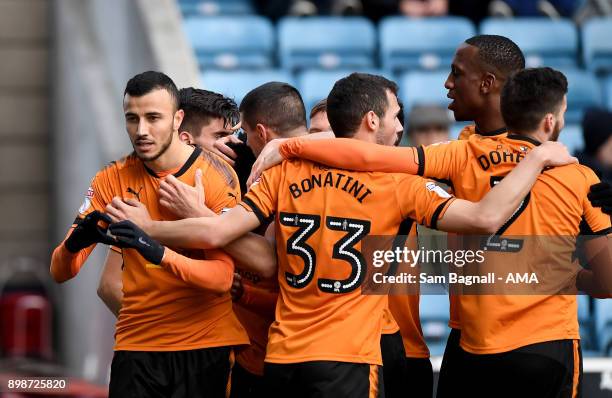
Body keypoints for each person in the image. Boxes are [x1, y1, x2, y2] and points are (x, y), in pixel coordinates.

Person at [105, 72, 575, 398]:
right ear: (372, 120)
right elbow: (484, 218)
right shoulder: (400, 185)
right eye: (394, 114)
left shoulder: (284, 172)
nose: (399, 123)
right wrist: (536, 158)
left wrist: (147, 226)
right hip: (349, 359)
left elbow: (218, 228)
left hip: (283, 356)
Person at [266, 68, 612, 396]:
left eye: (457, 72)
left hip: (458, 348)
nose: (448, 82)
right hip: (542, 344)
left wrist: (289, 146)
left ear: (492, 87)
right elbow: (607, 282)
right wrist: (559, 274)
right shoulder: (576, 176)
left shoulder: (457, 156)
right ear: (552, 120)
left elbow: (370, 157)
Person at [249, 35, 527, 397]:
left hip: (397, 344)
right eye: (322, 137)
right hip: (342, 348)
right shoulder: (290, 178)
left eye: (334, 142)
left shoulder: (418, 170)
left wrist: (288, 145)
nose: (333, 151)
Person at [50, 71, 254, 397]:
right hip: (137, 347)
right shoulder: (109, 180)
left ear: (178, 120)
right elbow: (60, 271)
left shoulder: (216, 176)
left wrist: (153, 246)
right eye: (132, 118)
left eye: (153, 118)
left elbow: (221, 278)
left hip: (206, 344)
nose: (141, 130)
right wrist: (75, 244)